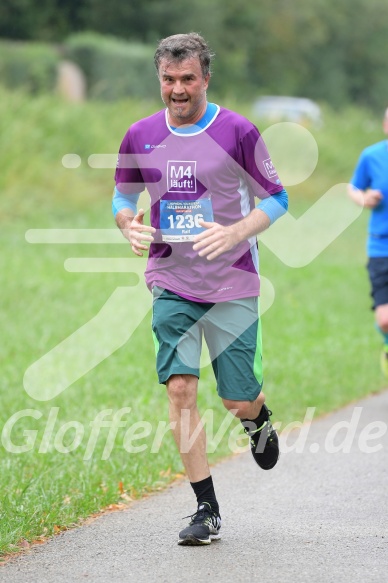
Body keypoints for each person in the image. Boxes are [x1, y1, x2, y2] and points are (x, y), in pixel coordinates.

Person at [112, 32, 288, 546]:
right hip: (171, 279)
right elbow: (123, 195)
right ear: (159, 79)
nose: (178, 89)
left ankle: (257, 421)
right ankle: (205, 509)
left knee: (237, 397)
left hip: (233, 281)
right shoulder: (140, 134)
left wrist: (236, 232)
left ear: (206, 77)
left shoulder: (237, 131)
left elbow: (276, 198)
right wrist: (127, 222)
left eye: (188, 78)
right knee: (181, 389)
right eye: (168, 79)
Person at [347, 108, 388, 376]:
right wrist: (364, 199)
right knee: (385, 321)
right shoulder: (372, 155)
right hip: (380, 247)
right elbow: (353, 187)